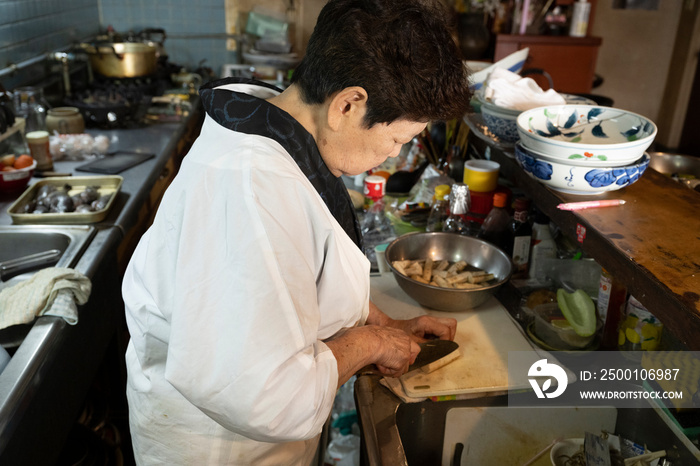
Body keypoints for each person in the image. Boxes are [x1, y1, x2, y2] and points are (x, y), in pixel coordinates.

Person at [122, 0, 472, 463]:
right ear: (348, 104)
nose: (392, 154)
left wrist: (382, 323)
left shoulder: (282, 133)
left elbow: (290, 278)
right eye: (396, 140)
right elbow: (264, 394)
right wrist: (370, 343)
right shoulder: (249, 188)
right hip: (222, 449)